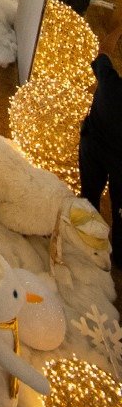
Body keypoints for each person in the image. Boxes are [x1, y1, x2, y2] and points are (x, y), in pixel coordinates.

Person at [79, 24, 122, 269]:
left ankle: (87, 234)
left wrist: (117, 29)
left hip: (93, 148)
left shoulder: (109, 85)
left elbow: (103, 51)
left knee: (90, 194)